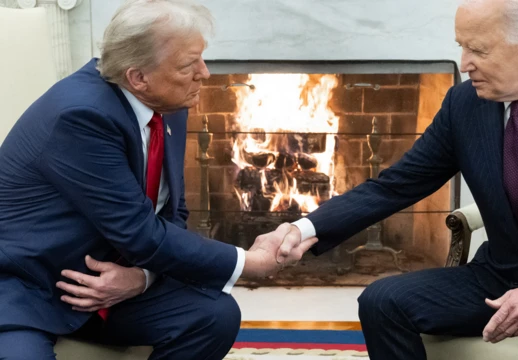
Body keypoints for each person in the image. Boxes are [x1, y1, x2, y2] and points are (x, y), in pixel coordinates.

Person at [266, 0, 518, 359]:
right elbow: (396, 184)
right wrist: (305, 228)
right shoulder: (464, 106)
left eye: (478, 50)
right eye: (461, 47)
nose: (465, 64)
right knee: (382, 302)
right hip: (503, 274)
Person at [0, 0, 313, 359]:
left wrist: (141, 278)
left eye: (201, 57)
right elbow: (139, 231)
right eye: (187, 65)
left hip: (110, 283)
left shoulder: (165, 104)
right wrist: (246, 262)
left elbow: (170, 211)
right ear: (138, 77)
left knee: (213, 315)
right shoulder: (81, 117)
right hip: (28, 288)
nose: (205, 73)